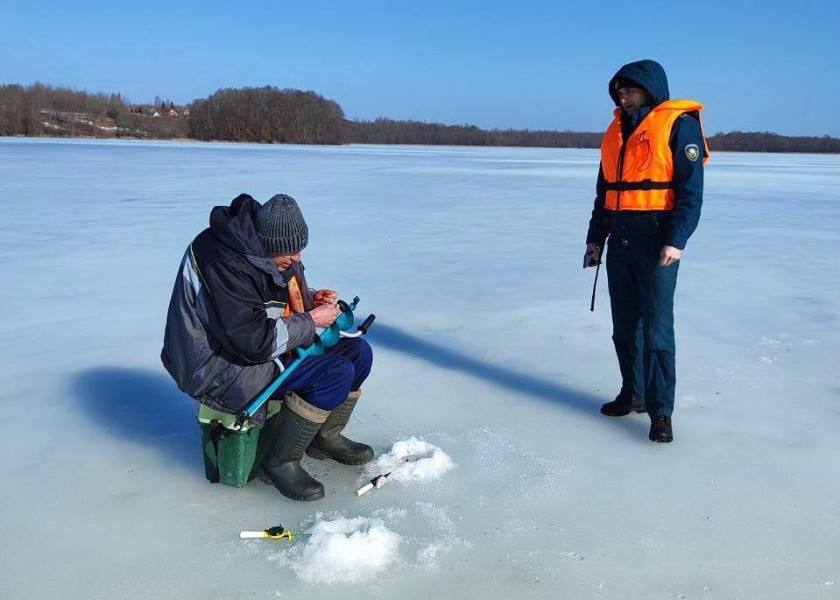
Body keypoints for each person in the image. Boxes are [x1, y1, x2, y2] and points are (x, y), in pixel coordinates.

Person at [162, 193, 374, 500]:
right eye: (290, 252)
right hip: (216, 366)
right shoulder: (224, 262)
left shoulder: (265, 250)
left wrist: (311, 298)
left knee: (359, 353)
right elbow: (252, 341)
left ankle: (324, 437)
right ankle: (280, 463)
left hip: (246, 347)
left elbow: (268, 297)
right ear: (266, 244)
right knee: (335, 371)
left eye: (300, 249)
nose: (297, 258)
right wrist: (312, 320)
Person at [583, 59, 709, 443]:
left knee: (656, 331)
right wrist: (594, 239)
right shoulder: (616, 131)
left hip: (657, 242)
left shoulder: (678, 125)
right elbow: (606, 194)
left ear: (651, 90)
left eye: (630, 89)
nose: (623, 95)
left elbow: (691, 193)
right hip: (619, 239)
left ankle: (661, 413)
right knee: (624, 327)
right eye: (619, 90)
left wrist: (677, 239)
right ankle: (632, 393)